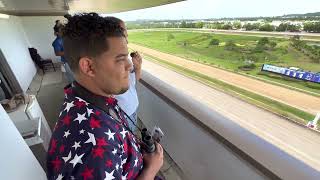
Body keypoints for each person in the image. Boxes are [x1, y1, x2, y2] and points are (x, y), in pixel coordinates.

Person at [47, 13, 163, 180]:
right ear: (89, 67)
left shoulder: (96, 97)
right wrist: (151, 170)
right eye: (120, 58)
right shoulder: (91, 148)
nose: (130, 65)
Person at [105, 16, 142, 133]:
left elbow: (132, 82)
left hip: (132, 110)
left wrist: (138, 67)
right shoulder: (108, 61)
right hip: (122, 116)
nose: (127, 38)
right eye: (124, 33)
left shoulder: (124, 59)